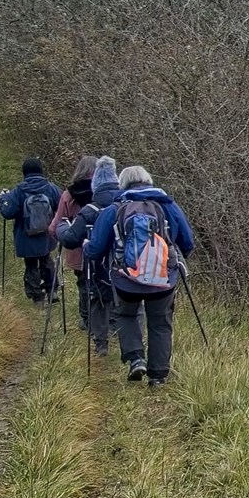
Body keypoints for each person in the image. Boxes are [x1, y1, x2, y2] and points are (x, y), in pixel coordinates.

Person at [85, 163, 195, 385]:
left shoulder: (114, 210)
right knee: (160, 322)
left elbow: (95, 250)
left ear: (122, 184)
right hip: (163, 279)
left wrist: (86, 244)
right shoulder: (168, 207)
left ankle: (136, 359)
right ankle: (158, 376)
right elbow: (188, 243)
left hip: (126, 278)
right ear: (148, 181)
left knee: (126, 315)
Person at [53, 156, 120, 358]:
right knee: (117, 292)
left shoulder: (71, 195)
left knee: (89, 288)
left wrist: (60, 228)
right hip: (121, 259)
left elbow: (61, 226)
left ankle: (92, 328)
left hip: (84, 252)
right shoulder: (125, 202)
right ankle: (119, 330)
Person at [0, 156, 62, 304]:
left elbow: (8, 212)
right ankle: (52, 290)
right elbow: (63, 208)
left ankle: (37, 297)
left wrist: (3, 198)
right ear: (41, 170)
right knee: (46, 259)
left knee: (31, 265)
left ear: (24, 172)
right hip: (47, 235)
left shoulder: (19, 191)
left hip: (26, 236)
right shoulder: (51, 188)